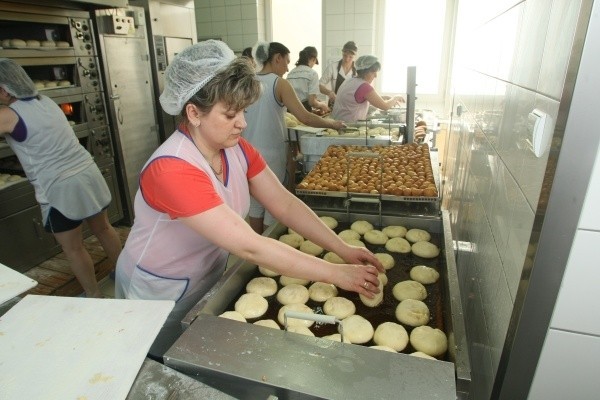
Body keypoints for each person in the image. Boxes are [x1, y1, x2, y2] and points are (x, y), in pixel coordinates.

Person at [113, 40, 383, 359]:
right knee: (160, 364)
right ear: (193, 113)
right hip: (160, 291)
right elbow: (248, 245)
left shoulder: (236, 148)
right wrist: (337, 273)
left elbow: (284, 203)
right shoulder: (172, 169)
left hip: (206, 276)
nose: (242, 122)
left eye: (243, 110)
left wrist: (342, 248)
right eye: (230, 114)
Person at [0, 58, 122, 298]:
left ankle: (94, 295)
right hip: (87, 173)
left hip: (60, 187)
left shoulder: (7, 114)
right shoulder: (46, 101)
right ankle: (124, 273)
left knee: (73, 248)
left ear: (4, 91)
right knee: (104, 229)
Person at [244, 41, 345, 234]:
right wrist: (332, 123)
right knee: (274, 205)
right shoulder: (279, 83)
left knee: (255, 204)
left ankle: (257, 251)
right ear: (277, 58)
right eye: (286, 62)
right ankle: (270, 251)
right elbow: (304, 116)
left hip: (248, 154)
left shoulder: (247, 82)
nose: (288, 68)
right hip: (271, 156)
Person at [331, 55, 405, 123]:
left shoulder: (349, 80)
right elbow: (384, 106)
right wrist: (396, 97)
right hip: (349, 127)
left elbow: (358, 98)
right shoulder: (364, 86)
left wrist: (383, 97)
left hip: (337, 124)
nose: (376, 76)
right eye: (373, 72)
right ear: (365, 71)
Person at [286, 46, 329, 114]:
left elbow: (296, 97)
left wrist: (315, 103)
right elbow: (312, 102)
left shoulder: (291, 73)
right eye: (315, 62)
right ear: (313, 59)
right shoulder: (312, 74)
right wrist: (322, 105)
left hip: (289, 112)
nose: (313, 65)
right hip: (303, 112)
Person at [319, 41, 358, 105]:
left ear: (355, 56)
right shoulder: (333, 67)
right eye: (345, 55)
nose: (347, 59)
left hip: (350, 105)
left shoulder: (357, 71)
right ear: (342, 53)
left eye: (350, 57)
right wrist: (329, 93)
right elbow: (320, 85)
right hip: (334, 104)